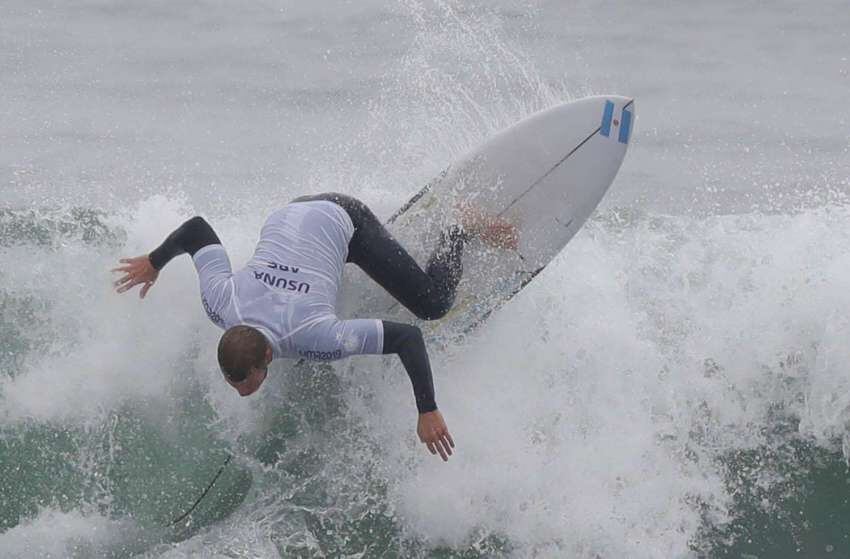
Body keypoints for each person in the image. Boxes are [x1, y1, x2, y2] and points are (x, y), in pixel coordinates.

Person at [112, 193, 516, 462]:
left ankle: (457, 229)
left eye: (248, 384)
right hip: (294, 209)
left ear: (267, 355)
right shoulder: (221, 302)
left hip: (345, 218)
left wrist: (427, 409)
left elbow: (406, 338)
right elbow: (197, 229)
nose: (244, 393)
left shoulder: (312, 335)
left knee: (431, 305)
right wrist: (155, 261)